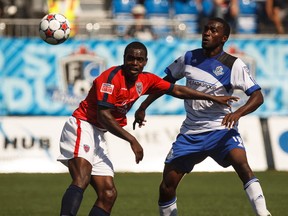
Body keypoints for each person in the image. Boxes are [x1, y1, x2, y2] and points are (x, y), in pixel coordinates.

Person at [57, 41, 238, 216]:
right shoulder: (110, 79)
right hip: (83, 125)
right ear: (124, 59)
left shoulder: (146, 79)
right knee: (82, 178)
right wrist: (132, 140)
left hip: (98, 134)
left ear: (145, 61)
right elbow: (104, 116)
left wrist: (213, 98)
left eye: (139, 59)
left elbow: (178, 90)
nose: (135, 63)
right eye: (130, 59)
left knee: (108, 194)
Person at [133, 18, 272, 216]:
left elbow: (257, 96)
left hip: (221, 128)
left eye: (213, 31)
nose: (206, 33)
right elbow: (165, 84)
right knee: (166, 187)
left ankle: (263, 213)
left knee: (243, 166)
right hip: (191, 132)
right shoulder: (189, 58)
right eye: (206, 29)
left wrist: (238, 113)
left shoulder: (234, 64)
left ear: (223, 38)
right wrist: (143, 106)